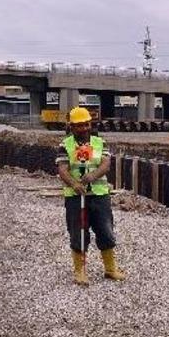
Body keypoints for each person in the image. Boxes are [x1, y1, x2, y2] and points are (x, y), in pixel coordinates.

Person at [56, 106, 126, 286]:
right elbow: (62, 170)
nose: (83, 128)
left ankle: (110, 269)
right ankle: (80, 271)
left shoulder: (100, 142)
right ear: (71, 127)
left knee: (105, 230)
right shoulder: (65, 145)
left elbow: (105, 164)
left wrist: (92, 176)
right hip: (75, 196)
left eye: (86, 124)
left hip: (99, 195)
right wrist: (74, 183)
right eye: (79, 126)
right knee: (78, 232)